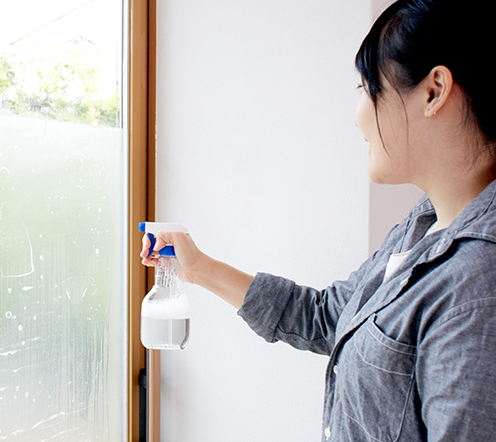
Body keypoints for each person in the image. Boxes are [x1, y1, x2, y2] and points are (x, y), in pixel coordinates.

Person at [140, 0, 496, 440]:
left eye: (368, 89)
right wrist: (198, 268)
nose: (357, 115)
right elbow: (328, 318)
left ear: (433, 91)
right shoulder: (424, 223)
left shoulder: (478, 284)